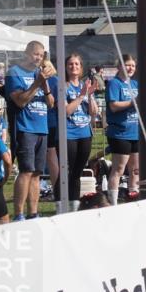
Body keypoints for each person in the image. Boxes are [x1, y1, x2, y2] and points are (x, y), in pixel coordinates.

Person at [5, 41, 55, 220]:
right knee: (26, 171)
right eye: (35, 54)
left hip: (42, 128)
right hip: (25, 128)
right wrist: (36, 83)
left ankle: (33, 213)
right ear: (27, 53)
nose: (38, 58)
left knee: (37, 174)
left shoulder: (39, 73)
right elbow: (20, 101)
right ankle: (18, 213)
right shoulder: (14, 73)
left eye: (41, 55)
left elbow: (51, 104)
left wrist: (45, 85)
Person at [47, 54, 97, 211]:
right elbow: (66, 111)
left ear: (81, 67)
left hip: (85, 133)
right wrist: (81, 95)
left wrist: (89, 95)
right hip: (68, 134)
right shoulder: (63, 86)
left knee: (77, 173)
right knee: (65, 171)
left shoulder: (85, 85)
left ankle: (74, 207)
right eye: (70, 64)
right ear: (66, 67)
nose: (73, 66)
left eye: (76, 64)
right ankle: (60, 206)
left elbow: (93, 112)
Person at [105, 54, 139, 205]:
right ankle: (113, 202)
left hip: (136, 132)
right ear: (119, 67)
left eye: (132, 65)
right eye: (127, 65)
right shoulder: (114, 83)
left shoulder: (136, 84)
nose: (130, 68)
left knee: (136, 169)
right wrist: (133, 102)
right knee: (119, 168)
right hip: (120, 133)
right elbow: (114, 106)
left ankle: (134, 198)